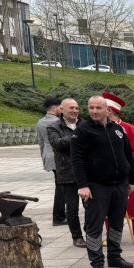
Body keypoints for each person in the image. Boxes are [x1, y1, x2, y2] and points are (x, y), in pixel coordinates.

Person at [71, 96, 134, 268]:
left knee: (116, 224)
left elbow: (128, 155)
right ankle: (97, 263)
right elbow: (76, 161)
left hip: (119, 185)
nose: (94, 111)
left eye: (98, 108)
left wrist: (133, 180)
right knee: (94, 227)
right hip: (96, 187)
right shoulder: (82, 131)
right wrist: (83, 185)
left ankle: (114, 256)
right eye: (91, 107)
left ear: (107, 110)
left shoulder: (118, 129)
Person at [104, 92, 134, 246]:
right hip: (108, 175)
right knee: (109, 205)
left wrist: (125, 169)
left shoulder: (127, 128)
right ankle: (111, 236)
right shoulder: (100, 128)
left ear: (109, 111)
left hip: (128, 174)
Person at [47, 98, 85, 247]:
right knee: (72, 208)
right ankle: (77, 237)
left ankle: (90, 231)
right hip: (66, 172)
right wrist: (76, 135)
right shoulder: (53, 127)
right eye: (71, 108)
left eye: (76, 108)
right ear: (62, 110)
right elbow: (56, 143)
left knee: (91, 206)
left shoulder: (85, 124)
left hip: (86, 172)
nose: (75, 111)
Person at [37, 97, 65, 225]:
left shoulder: (40, 122)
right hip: (59, 157)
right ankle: (58, 216)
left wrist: (44, 160)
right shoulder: (58, 122)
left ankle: (60, 215)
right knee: (61, 187)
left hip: (48, 156)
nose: (62, 109)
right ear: (54, 108)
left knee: (60, 185)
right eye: (60, 107)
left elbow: (41, 143)